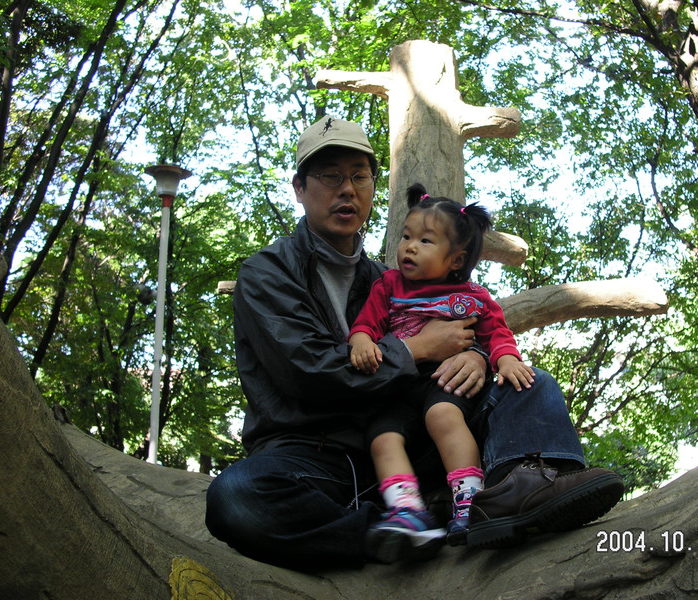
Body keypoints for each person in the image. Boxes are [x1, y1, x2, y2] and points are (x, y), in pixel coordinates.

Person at [204, 115, 624, 570]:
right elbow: (308, 374)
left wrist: (476, 355)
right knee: (237, 496)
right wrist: (416, 349)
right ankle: (397, 528)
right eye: (330, 176)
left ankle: (524, 486)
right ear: (299, 188)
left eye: (359, 177)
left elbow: (468, 324)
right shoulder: (267, 273)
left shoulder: (388, 280)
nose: (347, 190)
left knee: (526, 380)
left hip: (410, 440)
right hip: (312, 457)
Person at [349, 183, 536, 550]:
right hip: (397, 385)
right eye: (406, 236)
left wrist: (506, 359)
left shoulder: (472, 296)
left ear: (456, 260)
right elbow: (367, 323)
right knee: (382, 437)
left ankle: (470, 499)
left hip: (443, 381)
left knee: (442, 416)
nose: (410, 246)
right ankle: (406, 510)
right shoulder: (388, 285)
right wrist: (360, 341)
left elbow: (496, 332)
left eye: (425, 240)